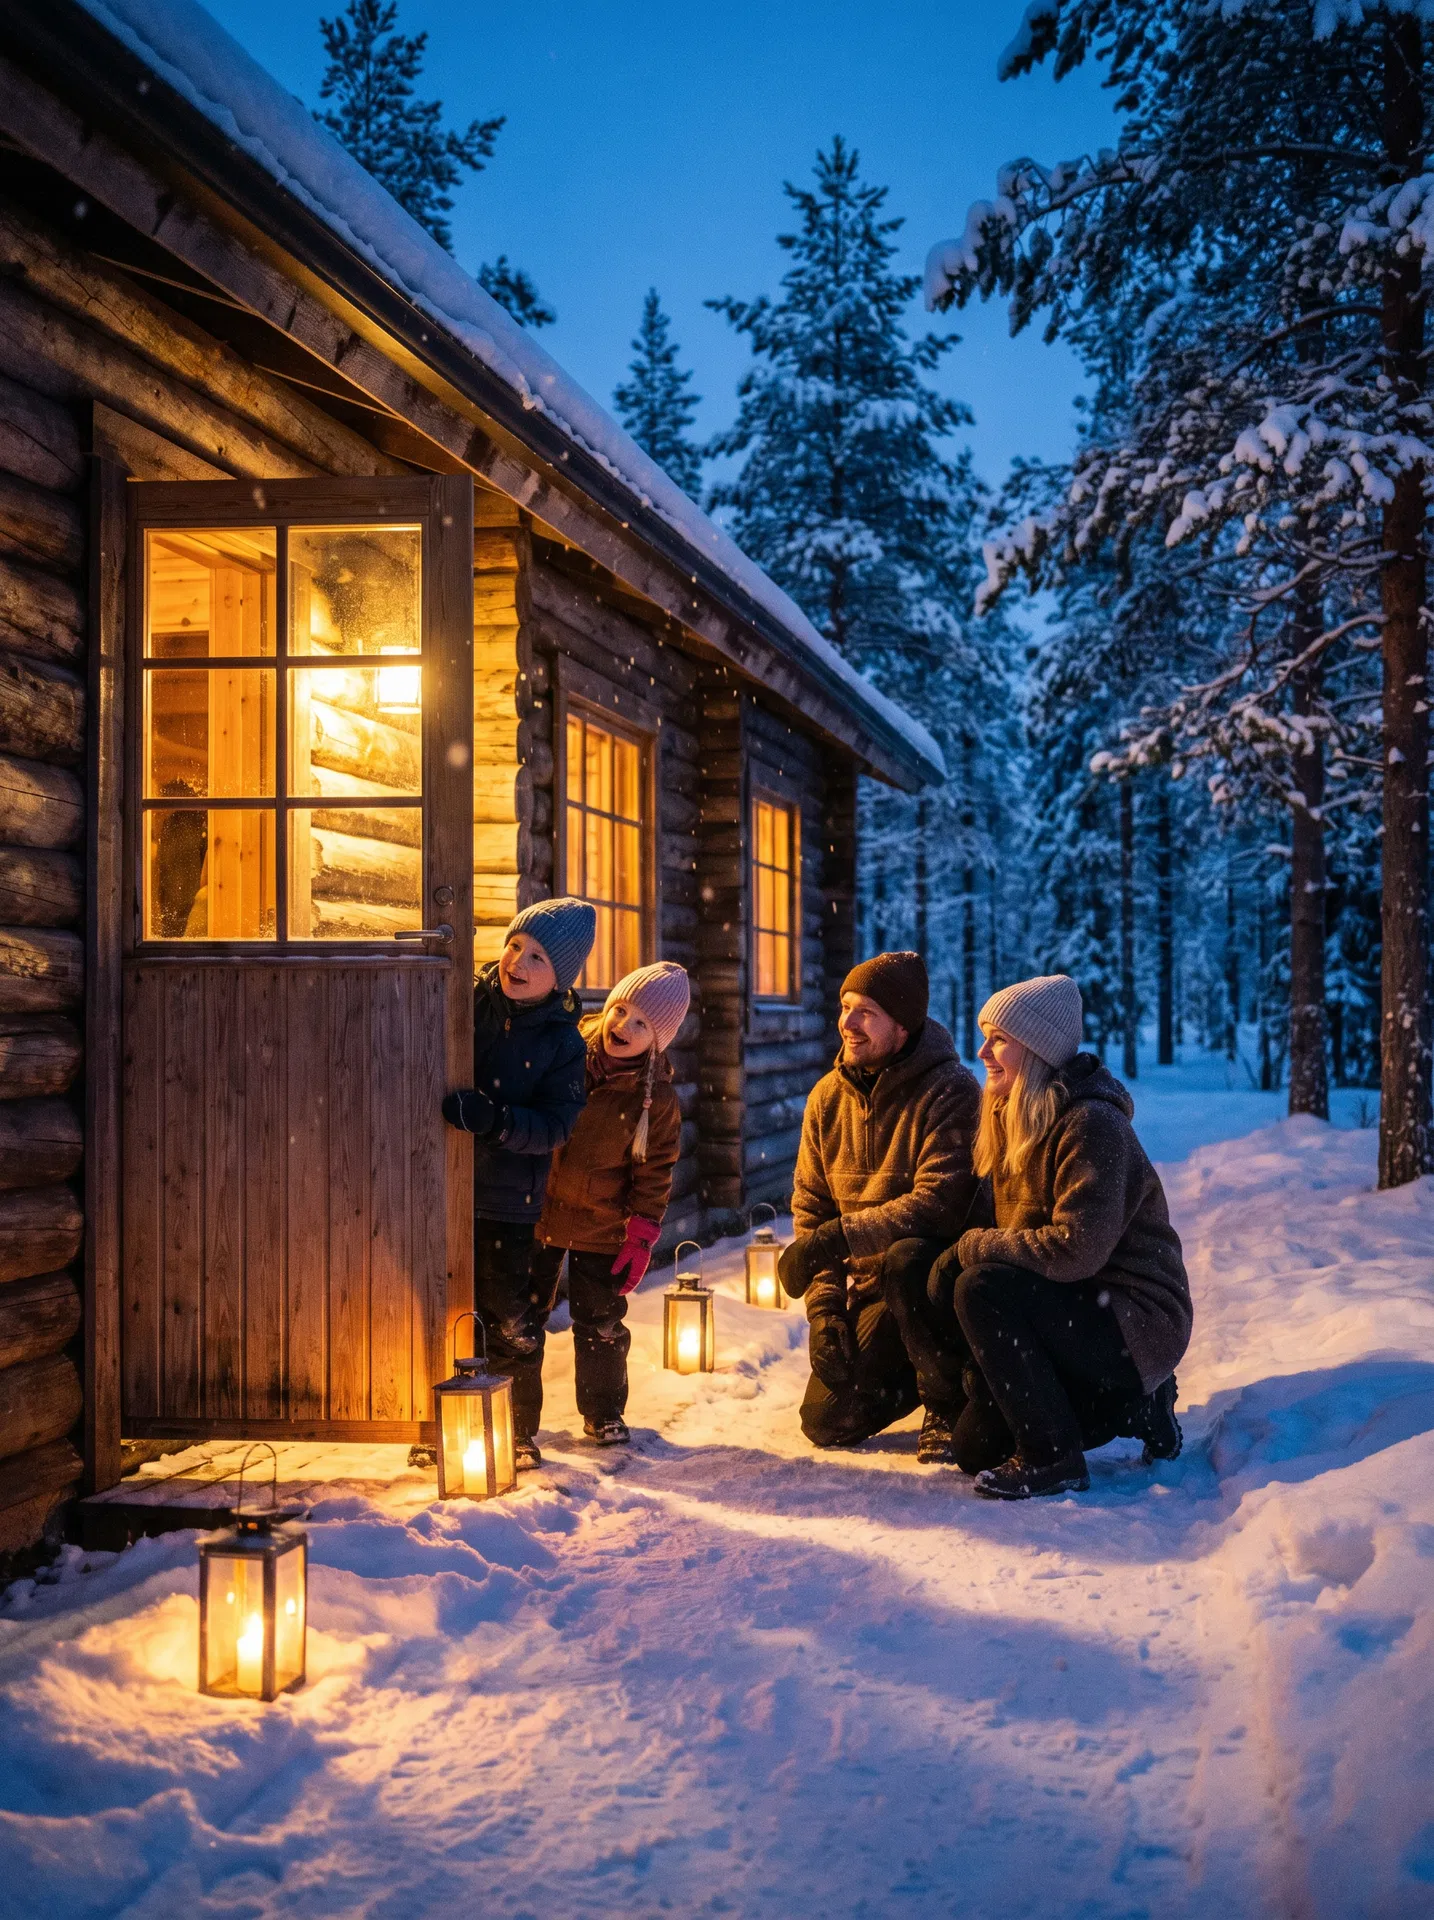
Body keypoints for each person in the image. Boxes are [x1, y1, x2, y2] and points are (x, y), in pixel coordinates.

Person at [930, 974, 1191, 1500]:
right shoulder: (1013, 1117)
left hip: (1135, 1317)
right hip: (1077, 1307)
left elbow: (1075, 1249)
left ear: (1037, 1049)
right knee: (976, 1447)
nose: (982, 1051)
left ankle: (1054, 1460)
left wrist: (973, 1249)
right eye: (985, 1036)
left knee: (979, 1286)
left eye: (999, 1039)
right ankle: (1137, 1407)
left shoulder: (1091, 1124)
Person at [778, 951, 982, 1459]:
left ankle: (948, 1396)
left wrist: (839, 1238)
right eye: (845, 1006)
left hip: (937, 1290)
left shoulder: (951, 1091)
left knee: (907, 1256)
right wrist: (825, 1311)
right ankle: (913, 1373)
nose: (847, 1023)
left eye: (866, 1011)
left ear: (903, 1025)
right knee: (826, 1421)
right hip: (875, 1296)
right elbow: (812, 1210)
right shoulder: (827, 1098)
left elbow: (939, 1204)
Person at [442, 897, 596, 1472]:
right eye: (515, 946)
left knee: (509, 1317)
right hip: (444, 1189)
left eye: (537, 957)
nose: (518, 962)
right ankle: (440, 1423)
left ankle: (516, 1430)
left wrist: (499, 1121)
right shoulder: (470, 1002)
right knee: (442, 1311)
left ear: (559, 978)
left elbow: (557, 1124)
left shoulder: (563, 1042)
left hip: (508, 1201)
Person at [532, 961, 691, 1449]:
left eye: (642, 1023)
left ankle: (603, 1412)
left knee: (600, 1322)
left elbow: (654, 1170)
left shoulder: (655, 1100)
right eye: (621, 1010)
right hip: (535, 1213)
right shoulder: (565, 1054)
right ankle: (513, 1422)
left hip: (604, 1226)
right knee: (520, 1320)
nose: (623, 1026)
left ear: (657, 1040)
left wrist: (642, 1231)